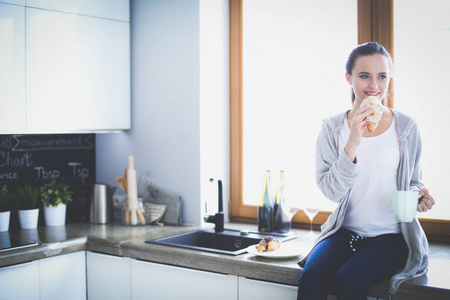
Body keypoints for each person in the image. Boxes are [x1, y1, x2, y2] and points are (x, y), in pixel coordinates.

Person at [296, 42, 435, 300]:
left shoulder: (406, 127)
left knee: (348, 280)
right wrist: (353, 141)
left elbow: (413, 180)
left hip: (392, 237)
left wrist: (418, 195)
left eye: (382, 76)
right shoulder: (332, 128)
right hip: (345, 232)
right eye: (364, 76)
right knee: (311, 277)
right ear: (349, 78)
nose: (374, 86)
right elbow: (332, 192)